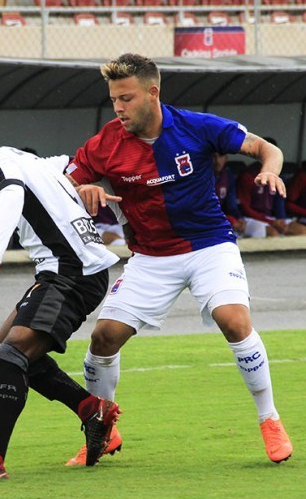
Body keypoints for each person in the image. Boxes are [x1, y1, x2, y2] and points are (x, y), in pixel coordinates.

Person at [64, 53, 293, 466]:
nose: (118, 108)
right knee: (103, 338)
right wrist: (81, 190)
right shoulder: (106, 143)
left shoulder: (196, 126)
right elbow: (62, 185)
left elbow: (266, 149)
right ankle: (102, 428)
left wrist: (271, 169)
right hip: (151, 256)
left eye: (126, 99)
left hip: (209, 246)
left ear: (152, 93)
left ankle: (269, 419)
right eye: (114, 100)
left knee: (234, 321)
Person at [0, 121, 122, 481]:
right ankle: (91, 409)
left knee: (12, 354)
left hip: (72, 272)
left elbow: (12, 194)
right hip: (64, 271)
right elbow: (65, 165)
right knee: (3, 348)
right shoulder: (25, 159)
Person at [235, 150, 306, 237]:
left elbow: (279, 203)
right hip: (250, 218)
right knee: (273, 233)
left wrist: (281, 221)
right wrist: (271, 222)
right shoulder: (248, 176)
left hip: (270, 218)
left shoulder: (278, 176)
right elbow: (245, 208)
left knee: (303, 231)